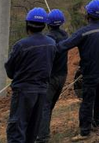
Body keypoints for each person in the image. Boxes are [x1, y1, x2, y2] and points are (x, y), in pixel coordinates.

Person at [58, 0, 99, 141]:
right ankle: (98, 123)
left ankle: (85, 132)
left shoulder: (83, 32)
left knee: (87, 102)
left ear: (88, 15)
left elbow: (63, 46)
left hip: (91, 74)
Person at [5, 8, 57, 143]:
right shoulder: (51, 43)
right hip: (42, 90)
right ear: (44, 25)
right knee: (32, 129)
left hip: (23, 91)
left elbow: (10, 70)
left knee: (17, 128)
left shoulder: (21, 45)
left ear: (27, 24)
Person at [36, 9, 69, 143]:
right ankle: (43, 132)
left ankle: (42, 137)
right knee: (49, 106)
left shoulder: (48, 38)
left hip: (50, 77)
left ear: (47, 23)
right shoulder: (65, 35)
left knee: (44, 106)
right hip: (62, 76)